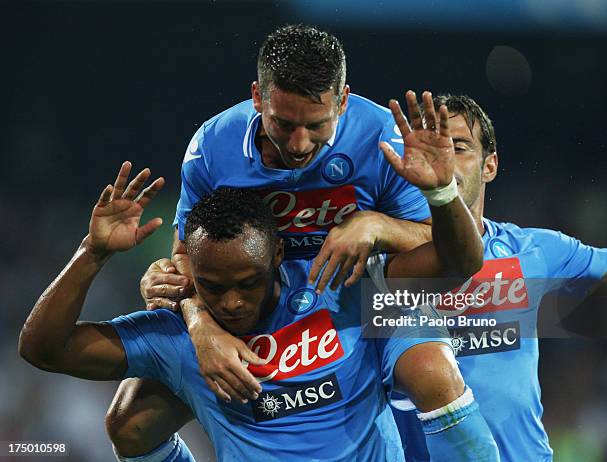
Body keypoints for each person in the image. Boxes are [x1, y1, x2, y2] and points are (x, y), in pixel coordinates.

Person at [106, 24, 485, 458]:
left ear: (342, 102)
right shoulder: (213, 147)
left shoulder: (383, 136)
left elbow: (441, 247)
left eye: (317, 125)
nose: (300, 144)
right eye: (283, 124)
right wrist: (199, 323)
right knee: (129, 424)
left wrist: (378, 225)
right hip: (258, 303)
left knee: (433, 370)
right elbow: (188, 254)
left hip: (360, 291)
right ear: (257, 98)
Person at [19, 158, 499, 460]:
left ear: (276, 258)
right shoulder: (175, 336)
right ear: (190, 274)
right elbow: (44, 349)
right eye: (212, 286)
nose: (231, 301)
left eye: (248, 284)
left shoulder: (338, 284)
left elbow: (459, 263)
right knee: (127, 421)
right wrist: (92, 253)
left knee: (434, 364)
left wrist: (441, 196)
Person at [391, 94, 607, 462]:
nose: (443, 159)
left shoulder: (534, 250)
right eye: (431, 146)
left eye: (458, 147)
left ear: (489, 166)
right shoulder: (382, 264)